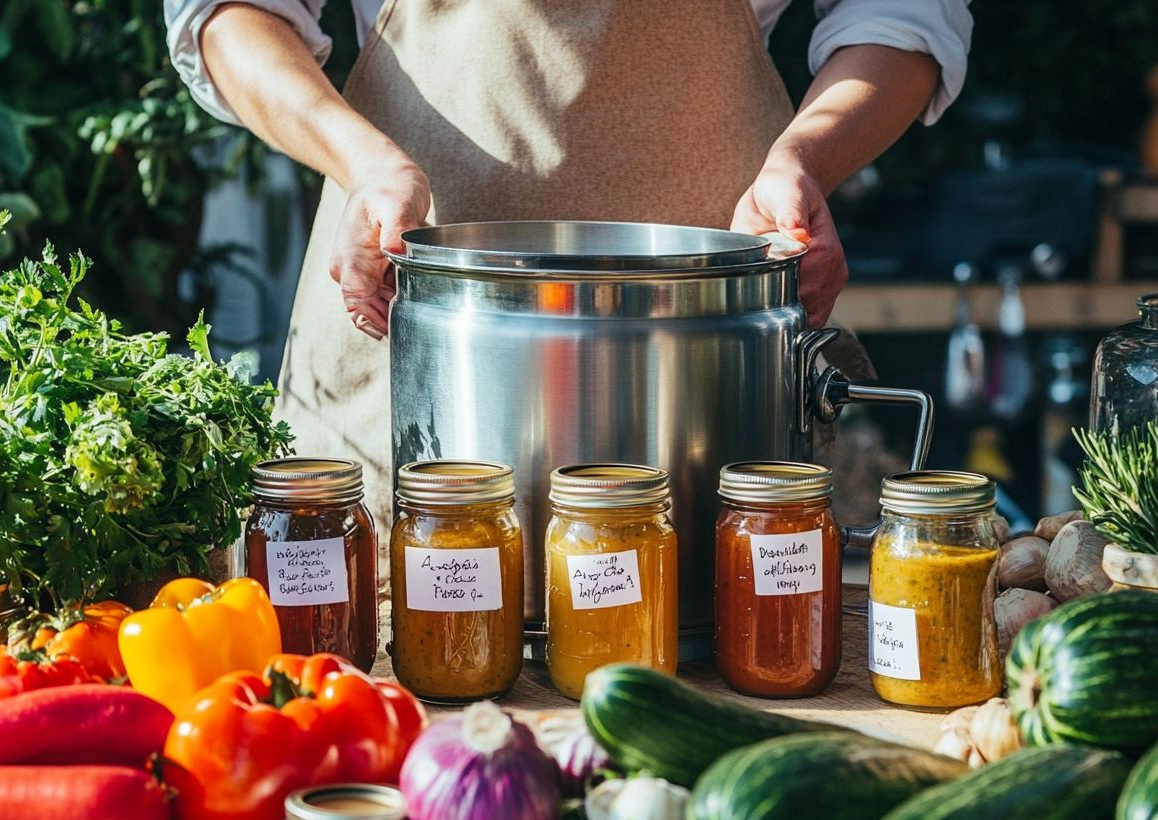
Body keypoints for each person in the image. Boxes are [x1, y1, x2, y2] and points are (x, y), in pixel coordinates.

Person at [166, 0, 972, 532]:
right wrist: (361, 162)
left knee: (710, 617)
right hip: (401, 320)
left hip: (708, 365)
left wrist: (809, 156)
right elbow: (233, 13)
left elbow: (901, 14)